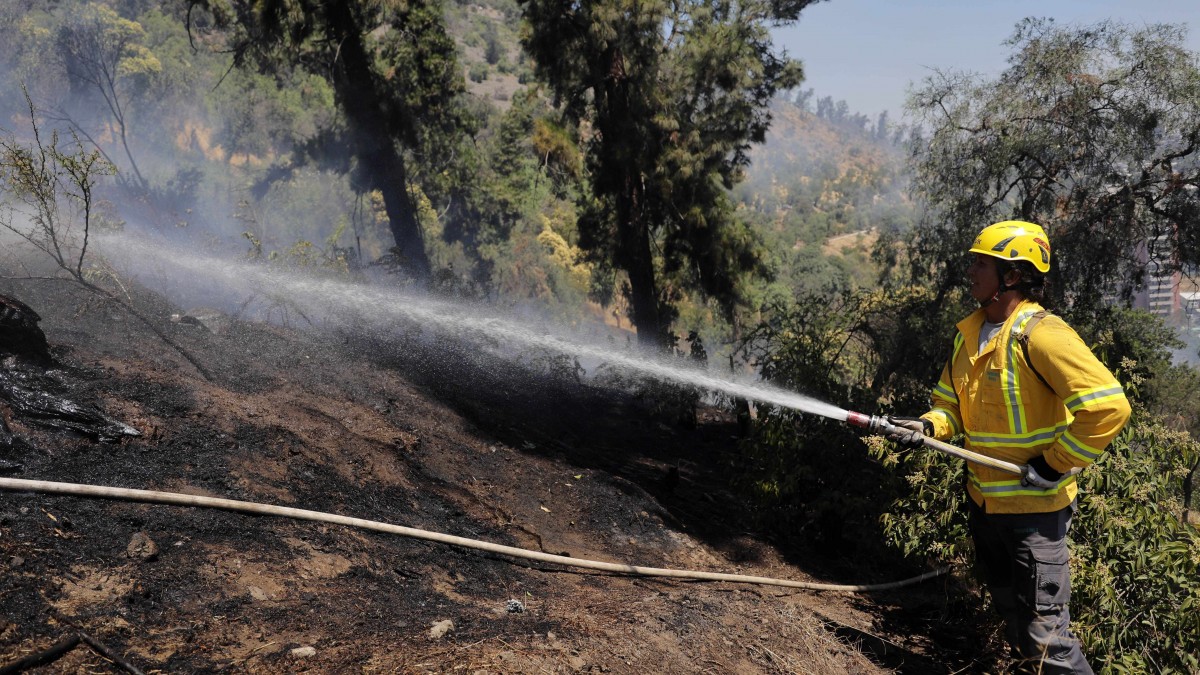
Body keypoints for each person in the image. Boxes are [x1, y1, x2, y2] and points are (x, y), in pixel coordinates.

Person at [888, 220, 1131, 674]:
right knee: (1016, 624)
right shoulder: (968, 334)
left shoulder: (1041, 335)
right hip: (987, 509)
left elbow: (1109, 408)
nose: (972, 272)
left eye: (982, 263)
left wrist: (1054, 464)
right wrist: (926, 425)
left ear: (1013, 276)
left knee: (1048, 642)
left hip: (1035, 517)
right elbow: (950, 406)